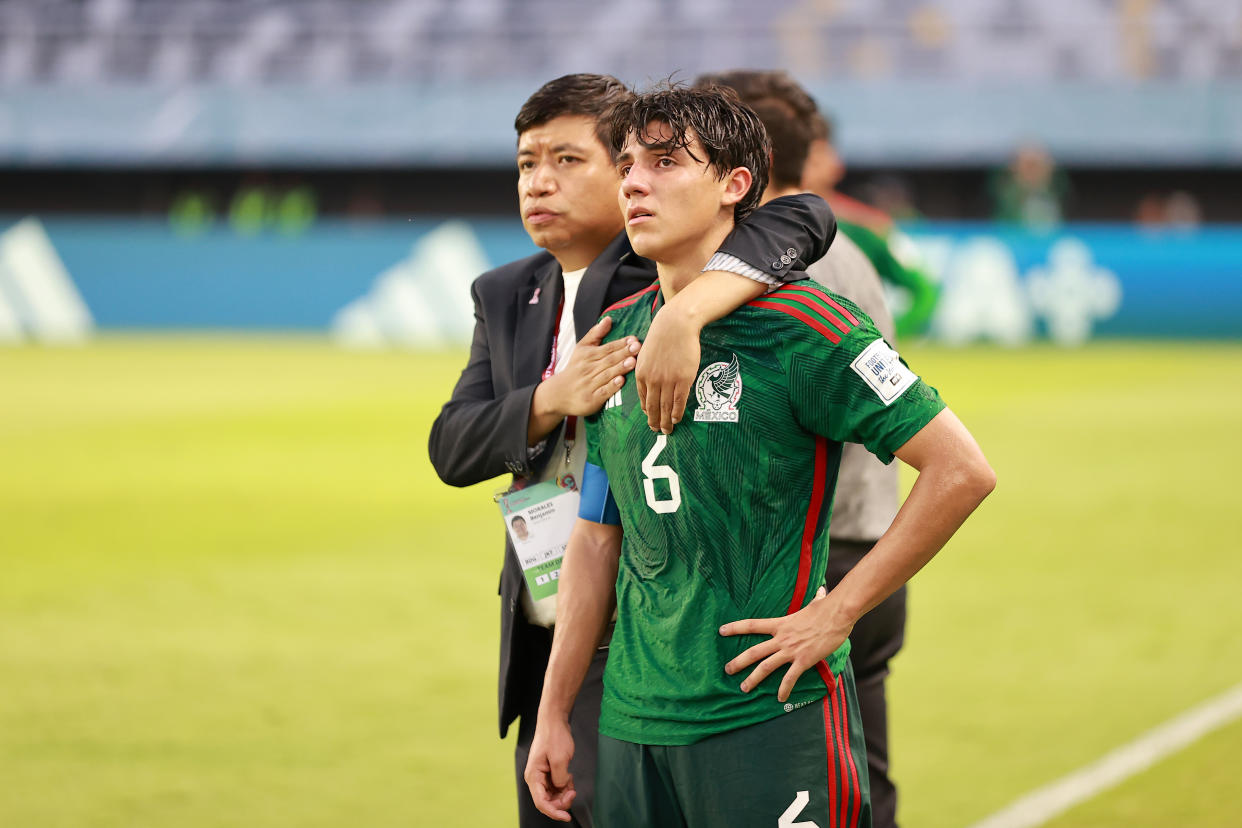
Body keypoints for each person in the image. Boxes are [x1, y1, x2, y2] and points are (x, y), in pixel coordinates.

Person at [525, 84, 995, 828]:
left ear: (735, 186)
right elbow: (594, 535)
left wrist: (835, 613)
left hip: (771, 720)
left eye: (666, 163)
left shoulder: (807, 327)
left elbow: (962, 470)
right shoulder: (614, 333)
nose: (635, 183)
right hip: (631, 723)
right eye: (626, 167)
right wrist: (554, 711)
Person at [427, 74, 837, 828]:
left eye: (567, 160)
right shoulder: (505, 291)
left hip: (661, 623)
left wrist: (688, 312)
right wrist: (553, 398)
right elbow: (452, 447)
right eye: (525, 163)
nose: (539, 181)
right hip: (554, 610)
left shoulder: (659, 259)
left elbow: (801, 218)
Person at [693, 68, 912, 828]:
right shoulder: (845, 250)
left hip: (816, 564)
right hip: (872, 536)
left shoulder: (769, 266)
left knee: (788, 791)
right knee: (861, 778)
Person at [801, 111, 939, 339]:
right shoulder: (752, 222)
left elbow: (924, 291)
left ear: (833, 164)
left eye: (813, 159)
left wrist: (880, 337)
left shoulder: (867, 227)